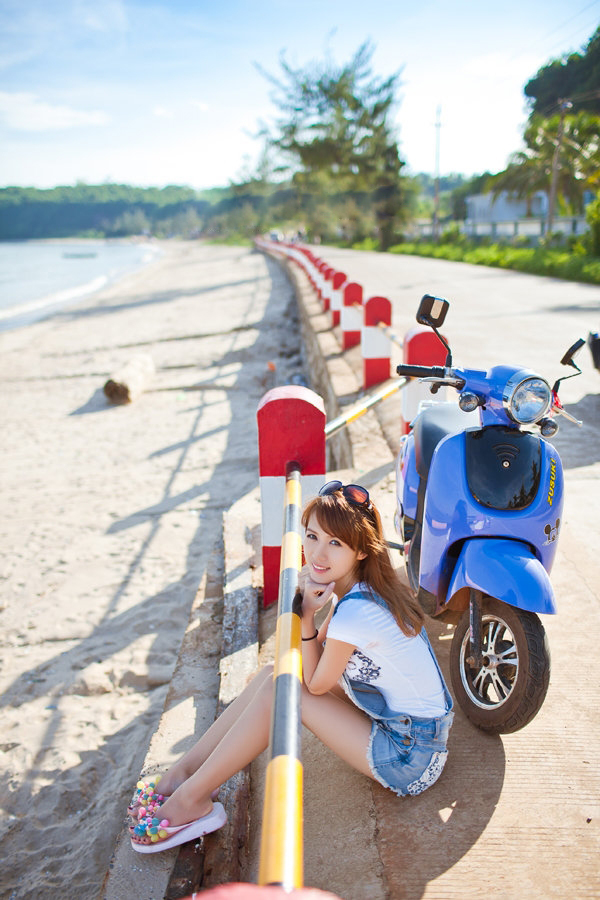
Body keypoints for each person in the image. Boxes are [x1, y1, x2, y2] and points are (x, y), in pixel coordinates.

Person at [128, 481, 453, 853]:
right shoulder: (365, 591)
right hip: (411, 732)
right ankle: (183, 774)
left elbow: (313, 684)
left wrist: (308, 615)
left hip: (411, 755)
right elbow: (316, 672)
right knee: (272, 676)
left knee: (280, 690)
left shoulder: (356, 612)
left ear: (362, 551)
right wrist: (311, 615)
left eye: (336, 543)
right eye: (312, 536)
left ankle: (192, 798)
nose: (317, 553)